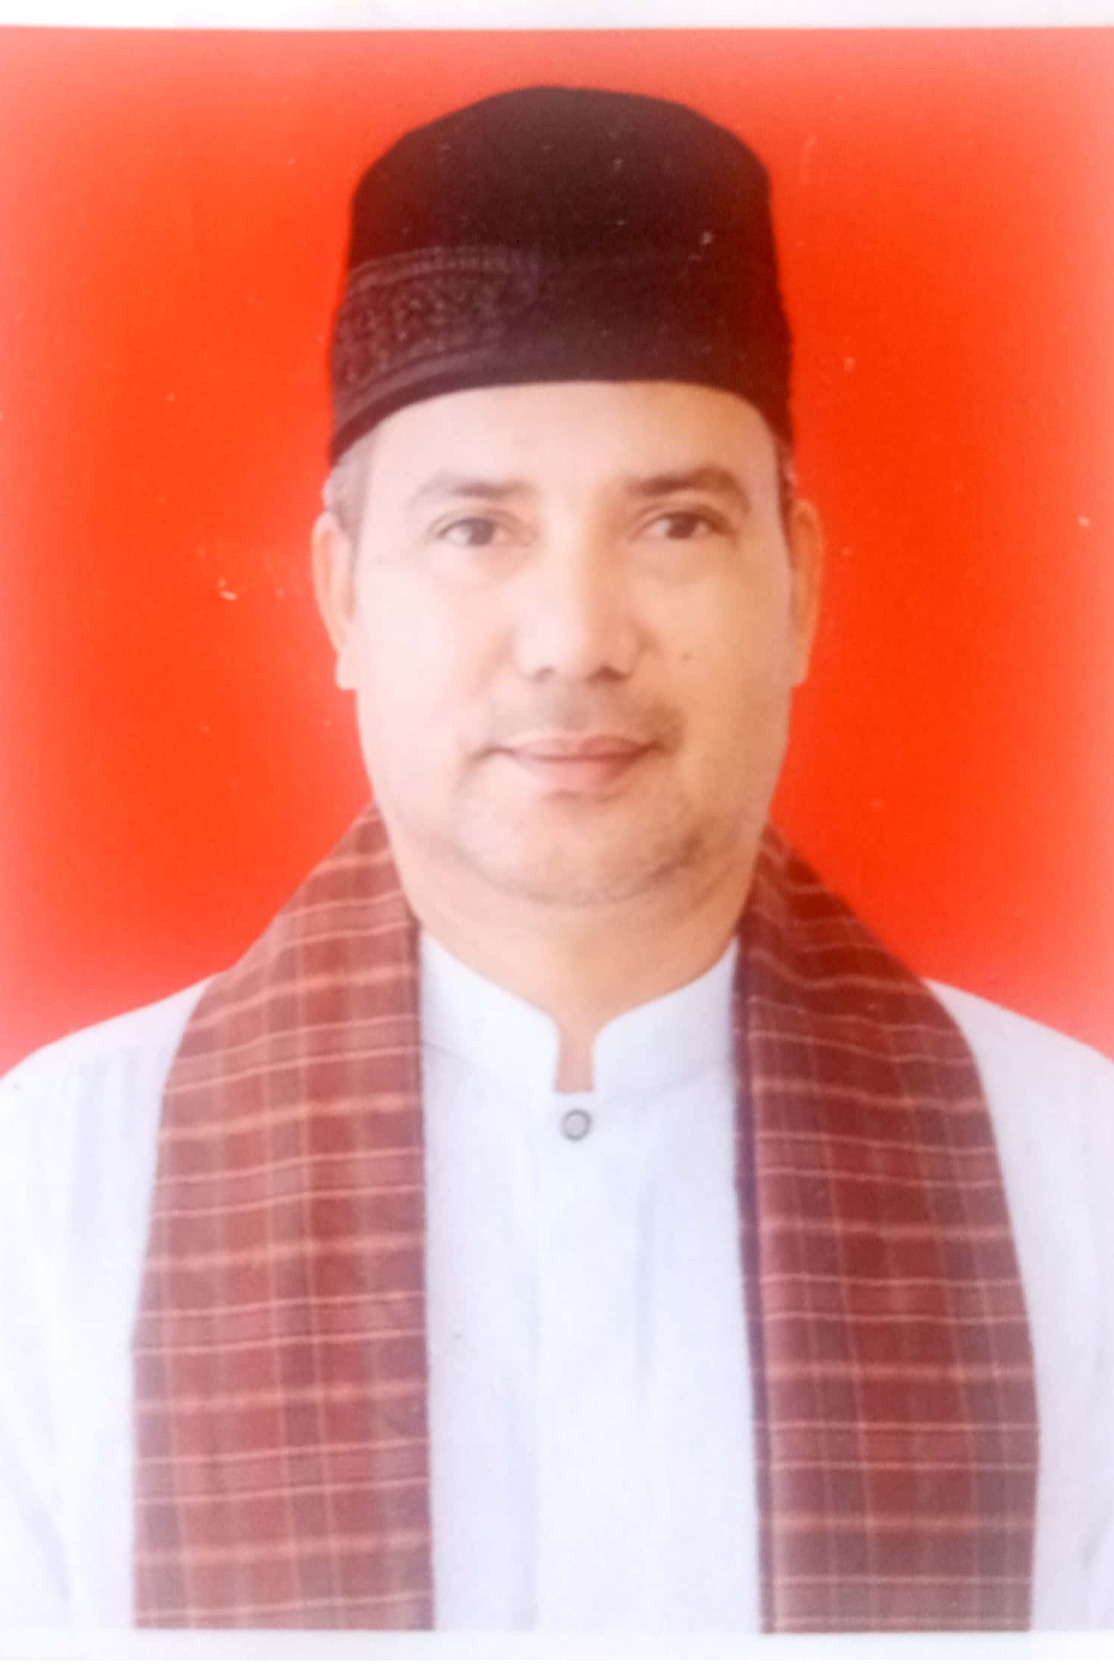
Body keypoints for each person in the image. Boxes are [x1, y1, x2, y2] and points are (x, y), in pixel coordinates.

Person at [1, 83, 1113, 1638]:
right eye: (476, 530)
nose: (576, 639)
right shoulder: (50, 1198)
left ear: (798, 588)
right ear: (341, 599)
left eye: (674, 524)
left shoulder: (1073, 1182)